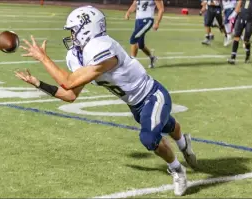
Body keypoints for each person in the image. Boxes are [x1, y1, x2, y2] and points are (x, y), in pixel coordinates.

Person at [15, 6, 197, 196]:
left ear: (87, 29)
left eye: (73, 30)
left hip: (153, 95)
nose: (72, 36)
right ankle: (185, 143)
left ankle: (178, 170)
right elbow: (69, 95)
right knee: (167, 125)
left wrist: (44, 59)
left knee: (149, 138)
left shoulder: (103, 48)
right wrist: (37, 83)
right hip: (136, 105)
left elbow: (68, 82)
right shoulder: (77, 55)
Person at [125, 0, 164, 68]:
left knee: (133, 39)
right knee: (140, 45)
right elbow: (134, 4)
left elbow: (161, 9)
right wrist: (128, 12)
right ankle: (152, 57)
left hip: (147, 20)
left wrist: (157, 22)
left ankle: (132, 64)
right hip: (138, 21)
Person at [227, 0, 252, 64]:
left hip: (251, 20)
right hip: (241, 17)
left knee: (246, 39)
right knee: (236, 36)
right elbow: (238, 5)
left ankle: (248, 54)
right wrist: (233, 15)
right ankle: (233, 57)